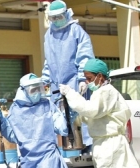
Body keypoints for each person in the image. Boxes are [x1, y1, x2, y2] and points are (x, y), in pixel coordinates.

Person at [42, 0, 95, 149]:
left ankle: (85, 148)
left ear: (67, 14)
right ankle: (63, 147)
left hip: (74, 84)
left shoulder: (76, 31)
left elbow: (84, 56)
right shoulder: (49, 35)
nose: (56, 21)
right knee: (59, 120)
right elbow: (49, 60)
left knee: (78, 118)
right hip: (55, 87)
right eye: (53, 18)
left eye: (59, 17)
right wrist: (45, 80)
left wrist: (83, 78)